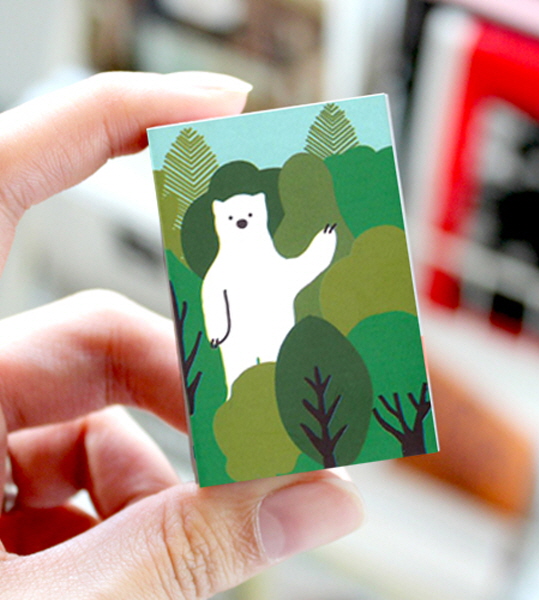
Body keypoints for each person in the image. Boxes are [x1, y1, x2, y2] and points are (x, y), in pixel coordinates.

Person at [0, 71, 364, 599]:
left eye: (249, 215)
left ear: (260, 214)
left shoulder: (266, 259)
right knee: (240, 392)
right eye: (234, 218)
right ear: (221, 221)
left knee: (277, 391)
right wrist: (218, 328)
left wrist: (321, 250)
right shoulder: (222, 268)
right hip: (236, 349)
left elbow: (294, 273)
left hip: (277, 345)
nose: (243, 222)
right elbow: (214, 292)